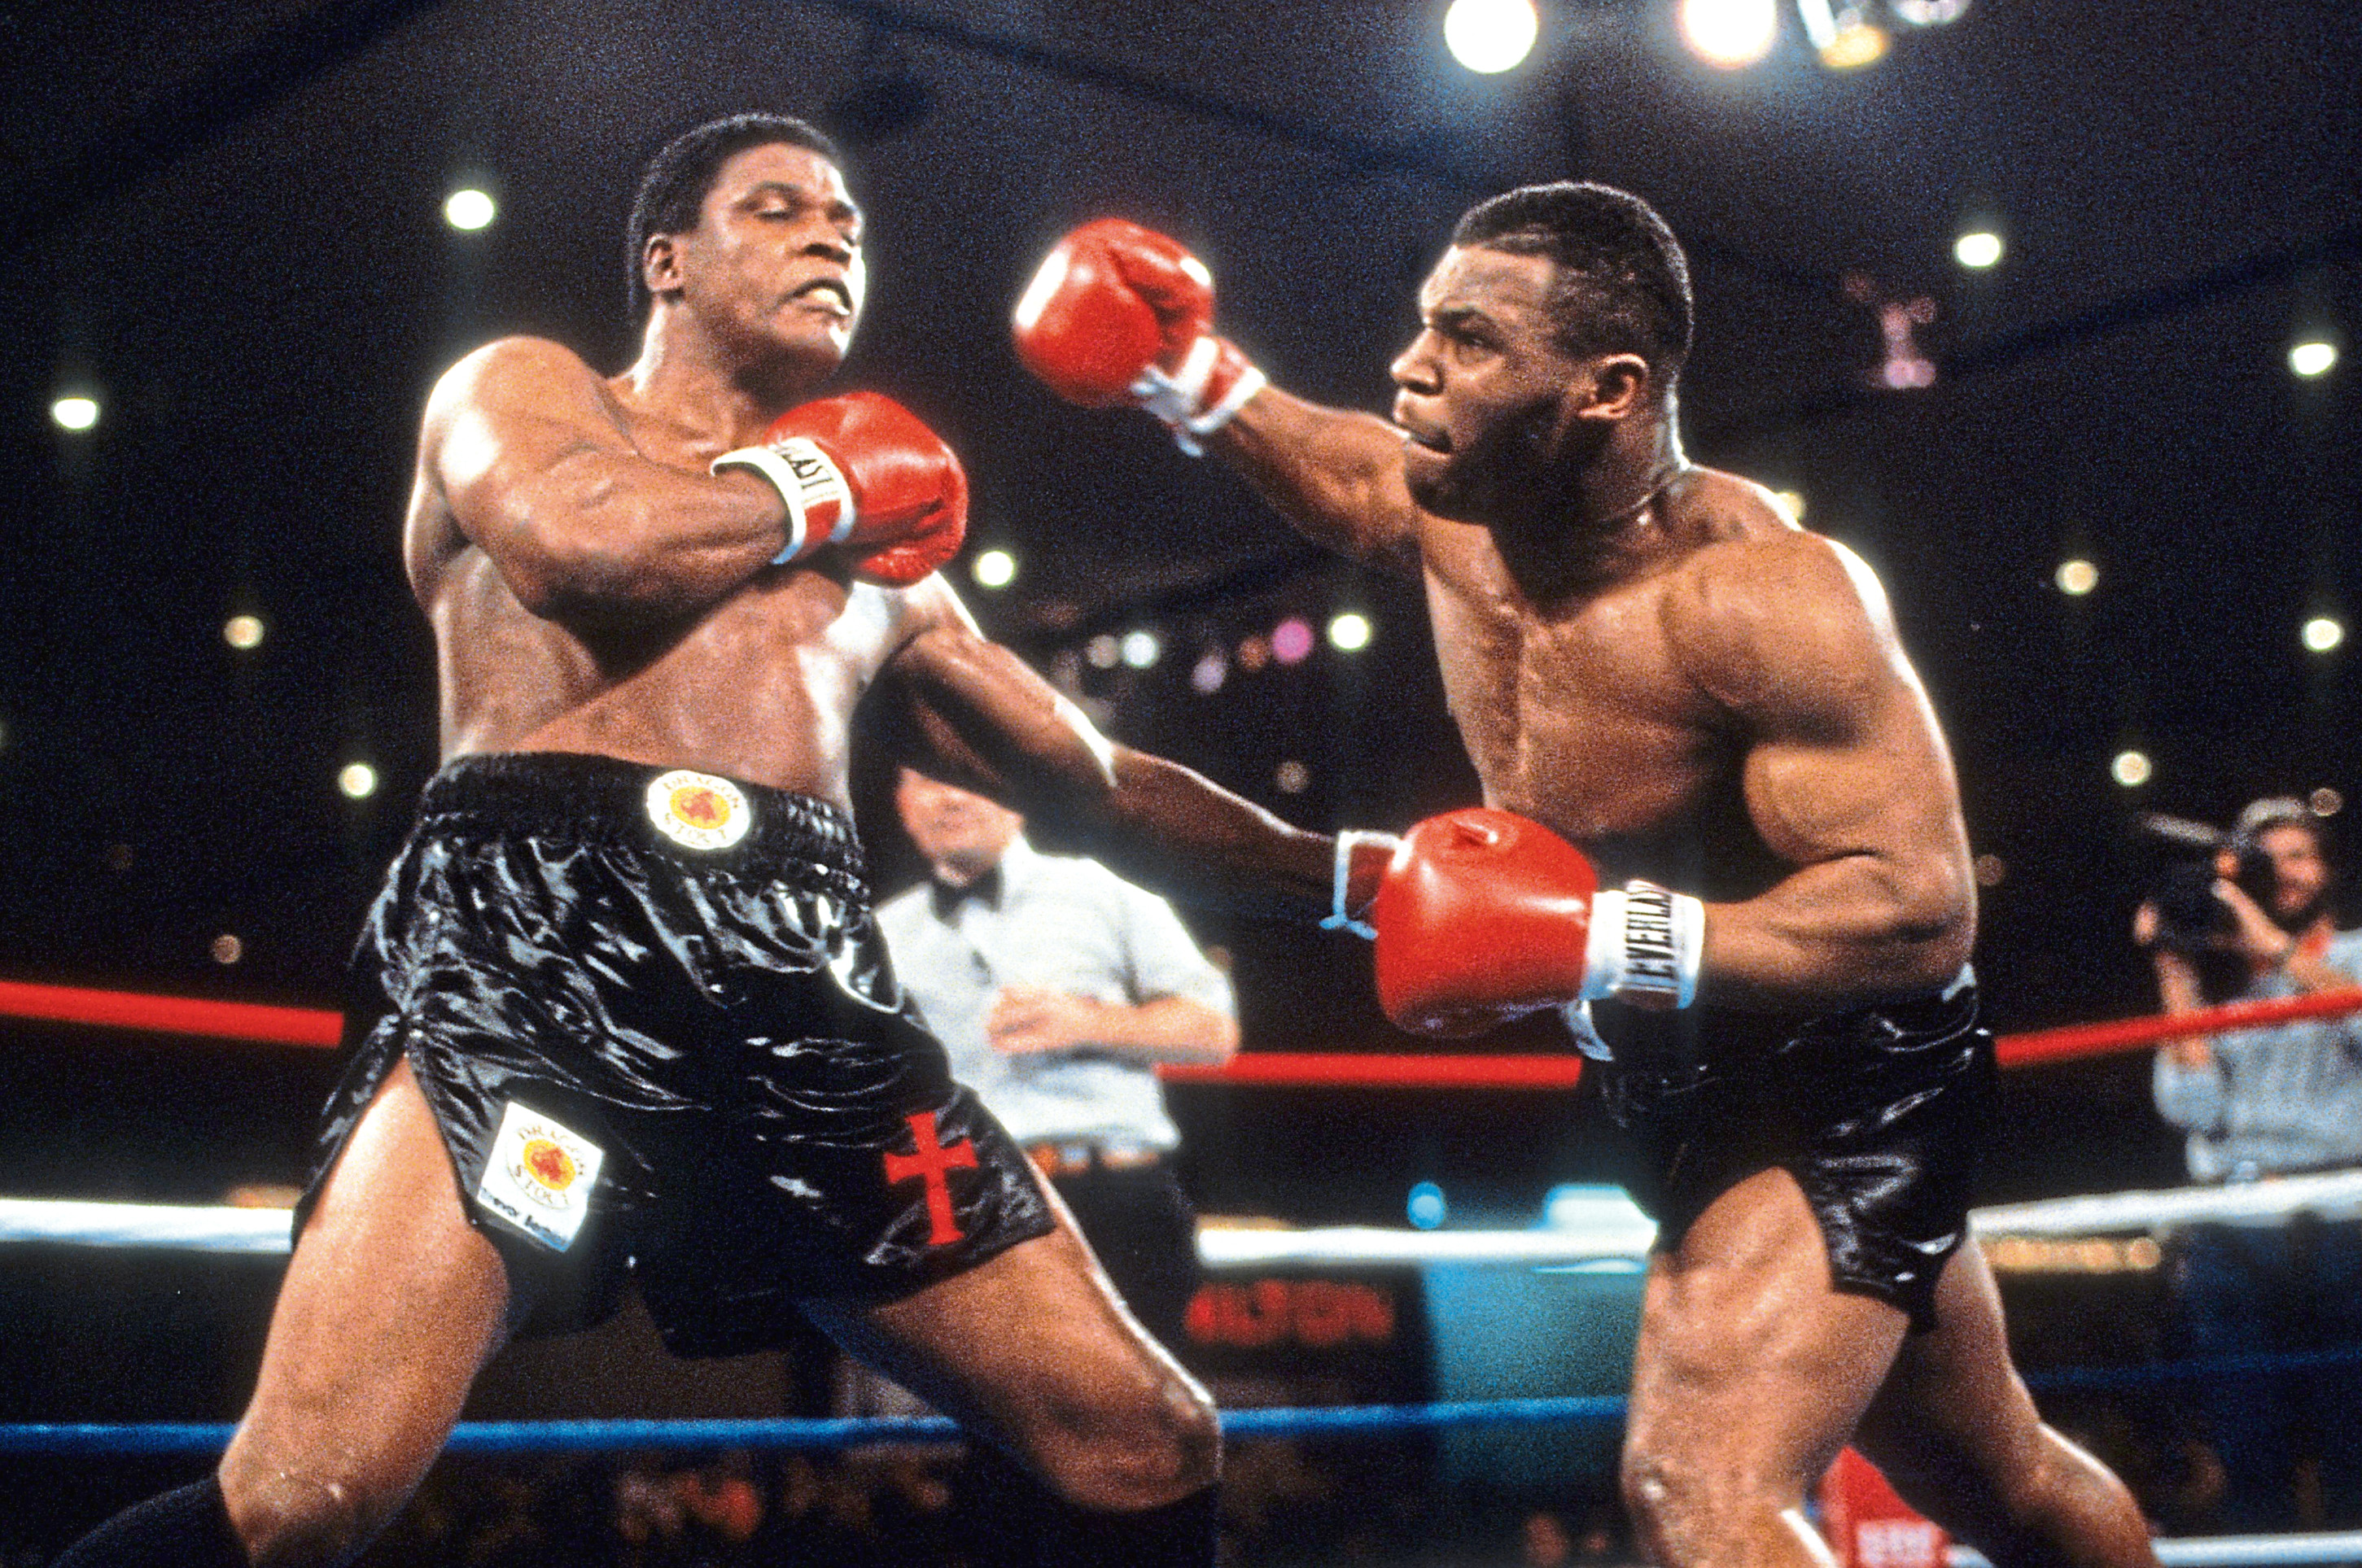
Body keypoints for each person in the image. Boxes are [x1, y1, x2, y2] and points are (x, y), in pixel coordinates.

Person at [61, 113, 1356, 1568]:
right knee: (305, 1494)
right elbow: (576, 544)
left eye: (850, 224)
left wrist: (1366, 883)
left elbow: (1098, 785)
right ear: (667, 263)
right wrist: (819, 488)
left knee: (1148, 1441)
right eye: (784, 210)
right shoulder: (526, 392)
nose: (833, 240)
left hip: (805, 994)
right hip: (533, 969)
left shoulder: (887, 562)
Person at [1011, 190, 2162, 1567]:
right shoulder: (1459, 518)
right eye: (1424, 327)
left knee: (1703, 1489)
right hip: (1657, 1082)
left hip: (1834, 1081)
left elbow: (1916, 905)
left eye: (1470, 342)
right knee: (1998, 1471)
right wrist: (1182, 370)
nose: (1409, 368)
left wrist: (1595, 935)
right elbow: (1342, 471)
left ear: (1609, 391)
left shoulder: (1761, 600)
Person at [880, 767, 1236, 1350]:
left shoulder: (1105, 890)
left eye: (965, 776)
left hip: (1115, 1197)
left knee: (1143, 1420)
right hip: (972, 1204)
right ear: (902, 802)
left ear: (1016, 799)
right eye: (925, 780)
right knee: (1003, 1427)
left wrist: (1090, 1021)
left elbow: (1213, 1030)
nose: (948, 795)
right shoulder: (884, 936)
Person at [2140, 797, 2362, 1531]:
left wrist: (2273, 945)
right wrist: (2176, 971)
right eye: (2270, 861)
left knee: (2354, 1441)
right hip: (2230, 1226)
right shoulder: (2225, 984)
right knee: (2246, 1446)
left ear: (2326, 869)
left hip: (2331, 1219)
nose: (2286, 873)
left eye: (2300, 854)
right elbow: (2192, 1108)